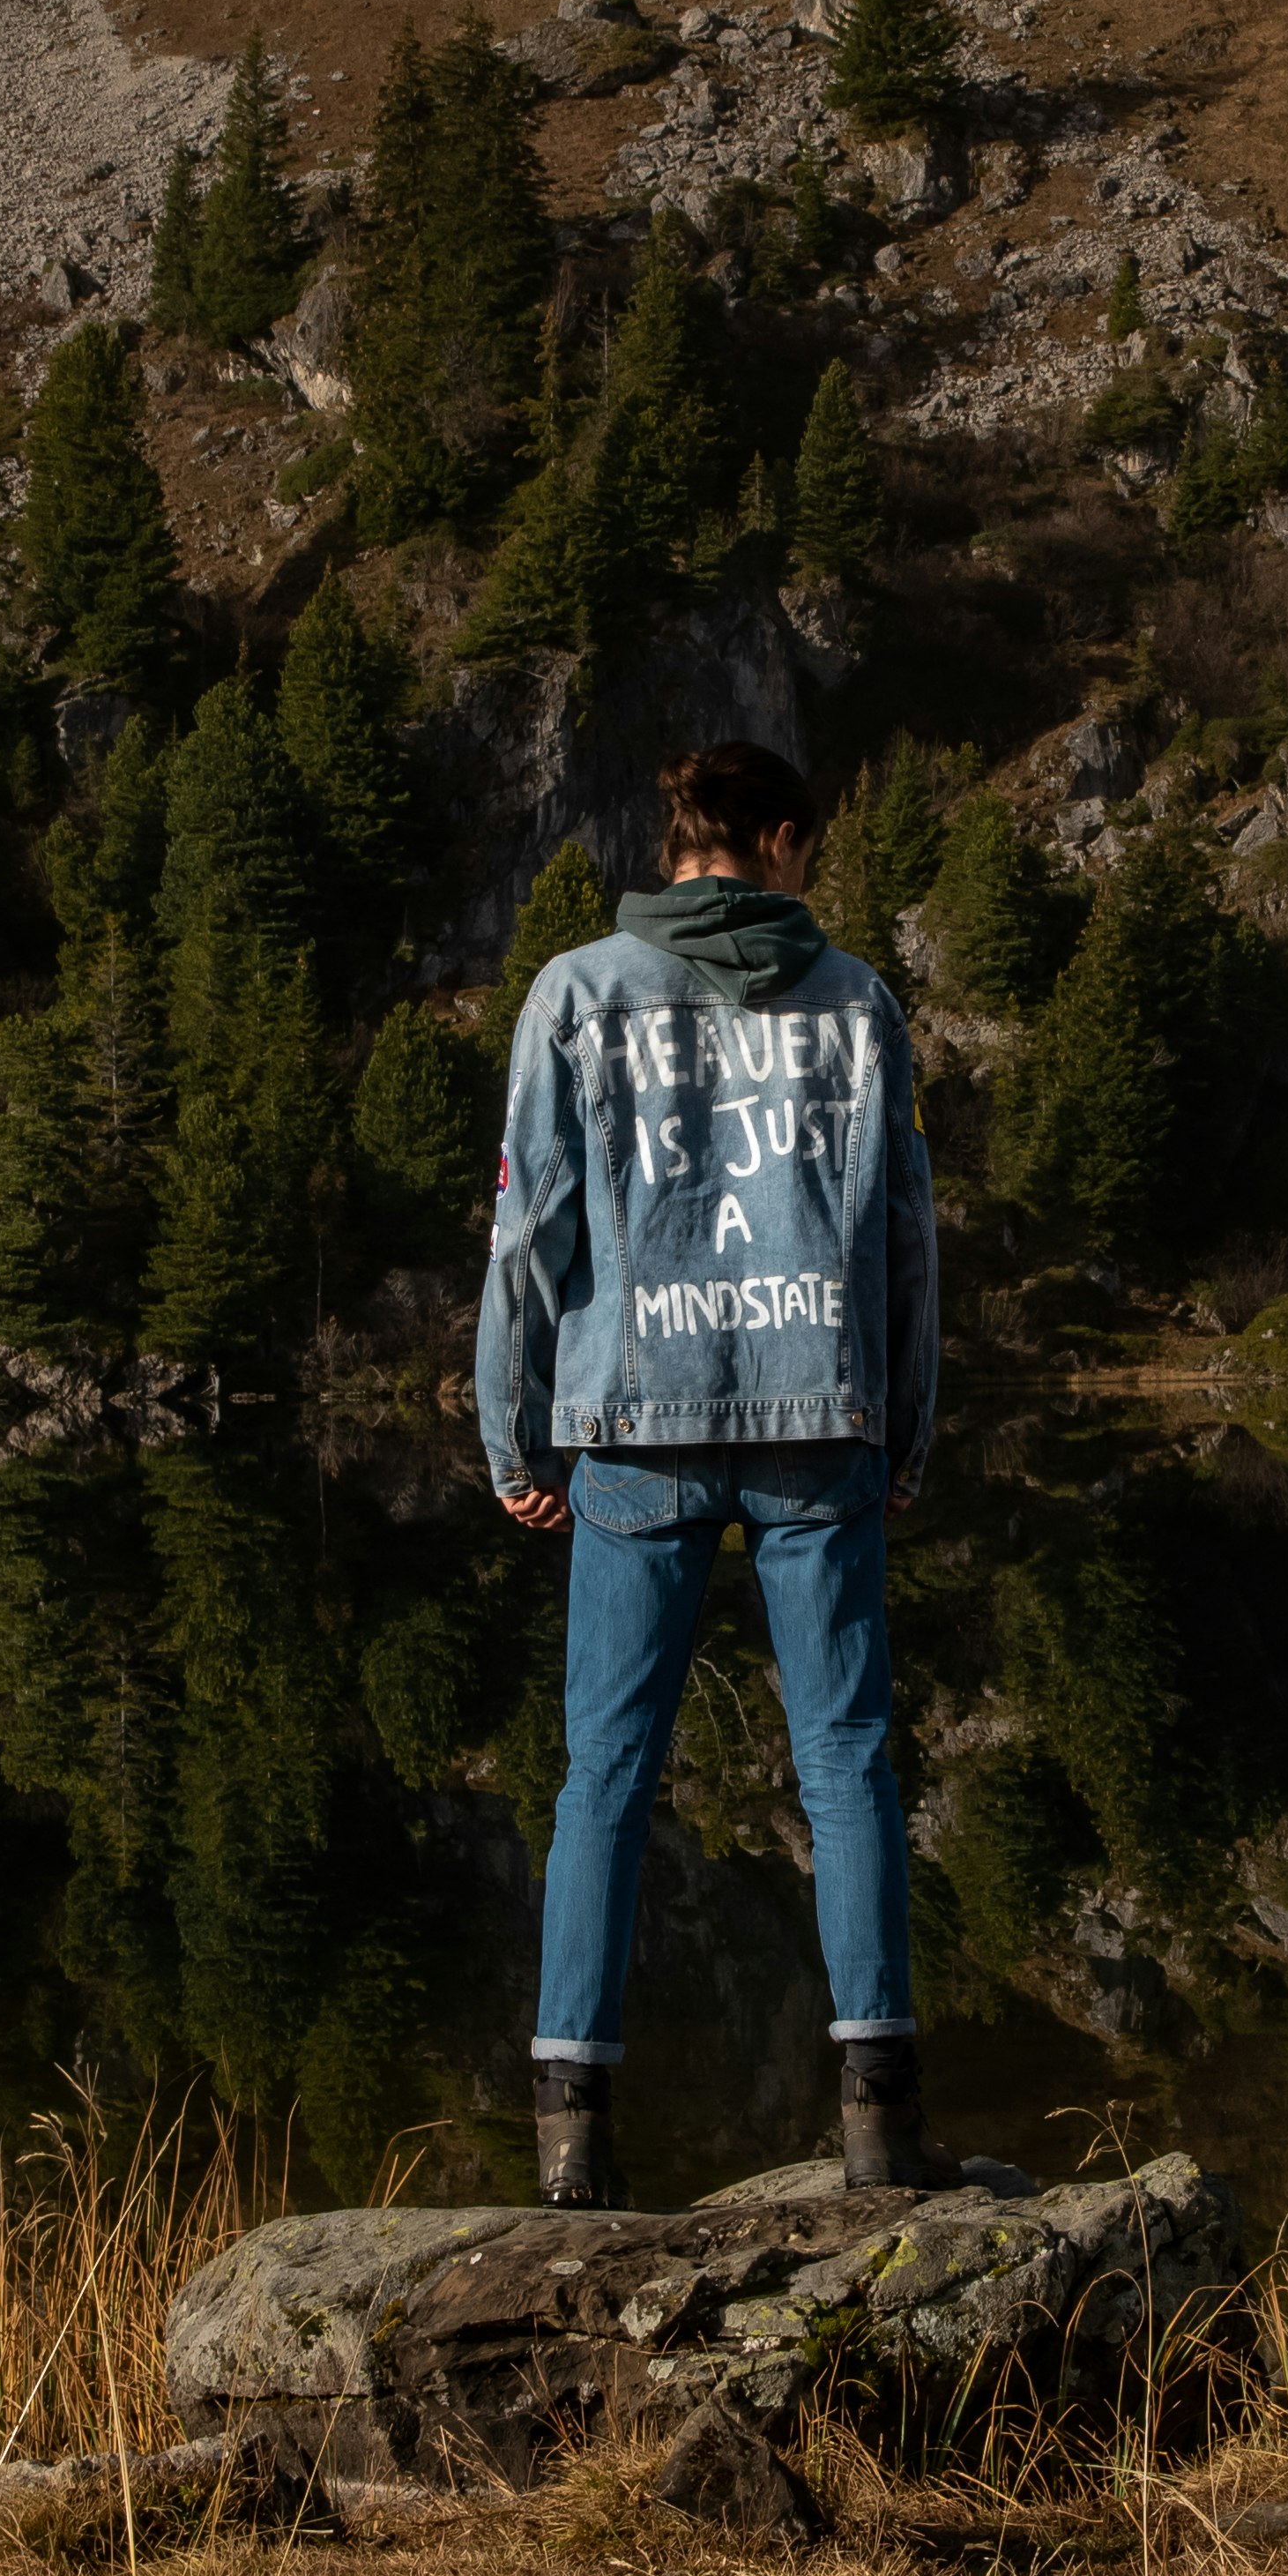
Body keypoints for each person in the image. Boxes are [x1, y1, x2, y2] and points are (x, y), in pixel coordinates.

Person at [475, 736, 943, 2209]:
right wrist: (904, 1426)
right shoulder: (857, 1004)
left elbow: (527, 1236)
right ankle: (877, 2124)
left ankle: (574, 2136)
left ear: (679, 844)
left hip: (634, 1426)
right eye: (812, 851)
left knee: (604, 1777)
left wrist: (515, 1431)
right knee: (848, 1763)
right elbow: (909, 1244)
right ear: (784, 842)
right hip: (821, 1427)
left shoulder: (576, 994)